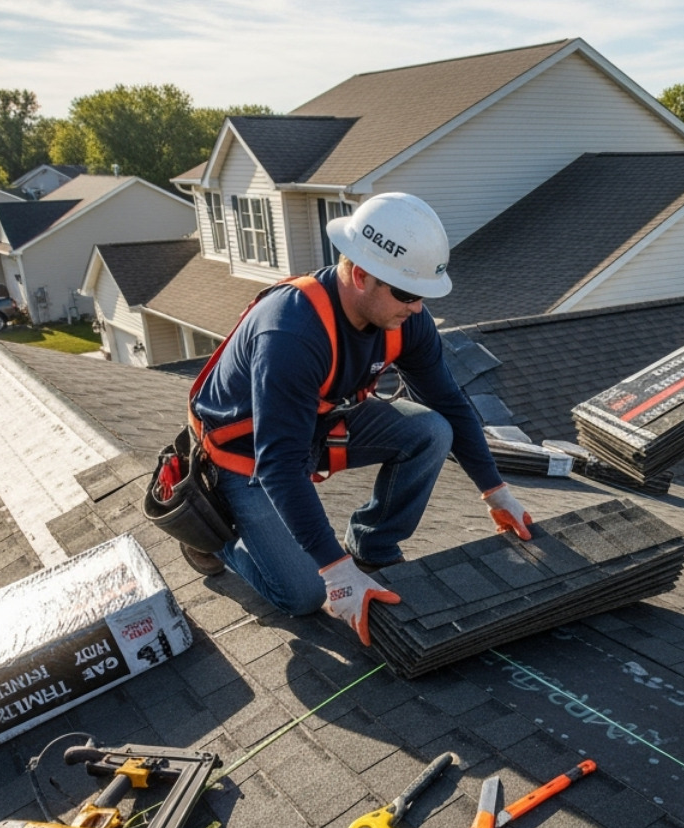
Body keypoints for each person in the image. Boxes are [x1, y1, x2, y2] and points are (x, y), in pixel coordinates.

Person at [186, 192, 533, 641]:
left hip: (317, 425)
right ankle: (209, 537)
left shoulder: (405, 318)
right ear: (362, 274)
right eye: (408, 294)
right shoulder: (290, 332)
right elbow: (279, 463)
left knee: (431, 430)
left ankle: (372, 542)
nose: (417, 308)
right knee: (305, 595)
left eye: (424, 295)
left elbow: (449, 402)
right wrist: (336, 573)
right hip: (245, 451)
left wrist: (496, 491)